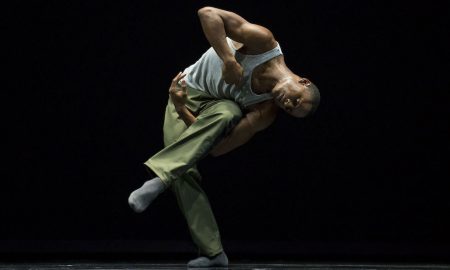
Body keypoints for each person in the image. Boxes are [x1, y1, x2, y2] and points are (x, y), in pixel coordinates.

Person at [128, 6, 320, 268]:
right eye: (295, 99)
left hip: (207, 108)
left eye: (290, 109)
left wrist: (183, 109)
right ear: (304, 81)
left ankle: (160, 177)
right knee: (183, 172)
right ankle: (214, 253)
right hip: (184, 90)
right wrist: (229, 60)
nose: (288, 103)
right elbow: (207, 13)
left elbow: (217, 148)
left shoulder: (265, 111)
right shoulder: (264, 43)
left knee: (229, 111)